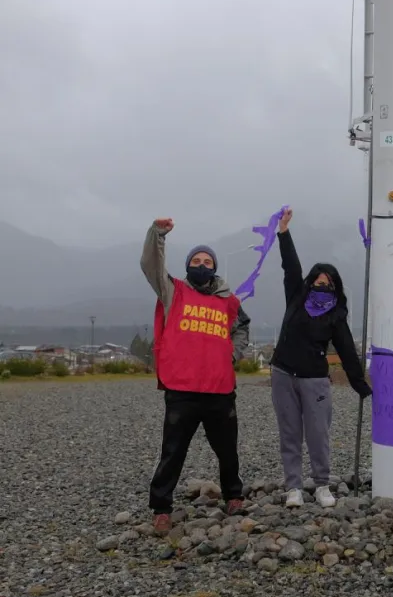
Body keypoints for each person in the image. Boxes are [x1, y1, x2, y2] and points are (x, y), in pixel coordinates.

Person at [141, 217, 251, 535]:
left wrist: (233, 353)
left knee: (227, 449)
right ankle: (161, 507)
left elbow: (243, 326)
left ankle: (233, 496)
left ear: (214, 268)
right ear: (188, 266)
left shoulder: (228, 301)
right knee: (173, 450)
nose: (201, 265)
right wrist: (157, 235)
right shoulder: (173, 291)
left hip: (219, 388)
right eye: (195, 260)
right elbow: (151, 266)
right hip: (183, 388)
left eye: (207, 261)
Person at [269, 208, 372, 509]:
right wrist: (284, 233)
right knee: (289, 433)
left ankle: (323, 484)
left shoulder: (336, 314)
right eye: (317, 280)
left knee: (318, 434)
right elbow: (291, 267)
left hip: (315, 379)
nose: (321, 285)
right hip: (283, 374)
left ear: (335, 286)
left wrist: (360, 384)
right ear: (310, 281)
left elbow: (347, 352)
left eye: (328, 282)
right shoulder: (296, 298)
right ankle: (293, 488)